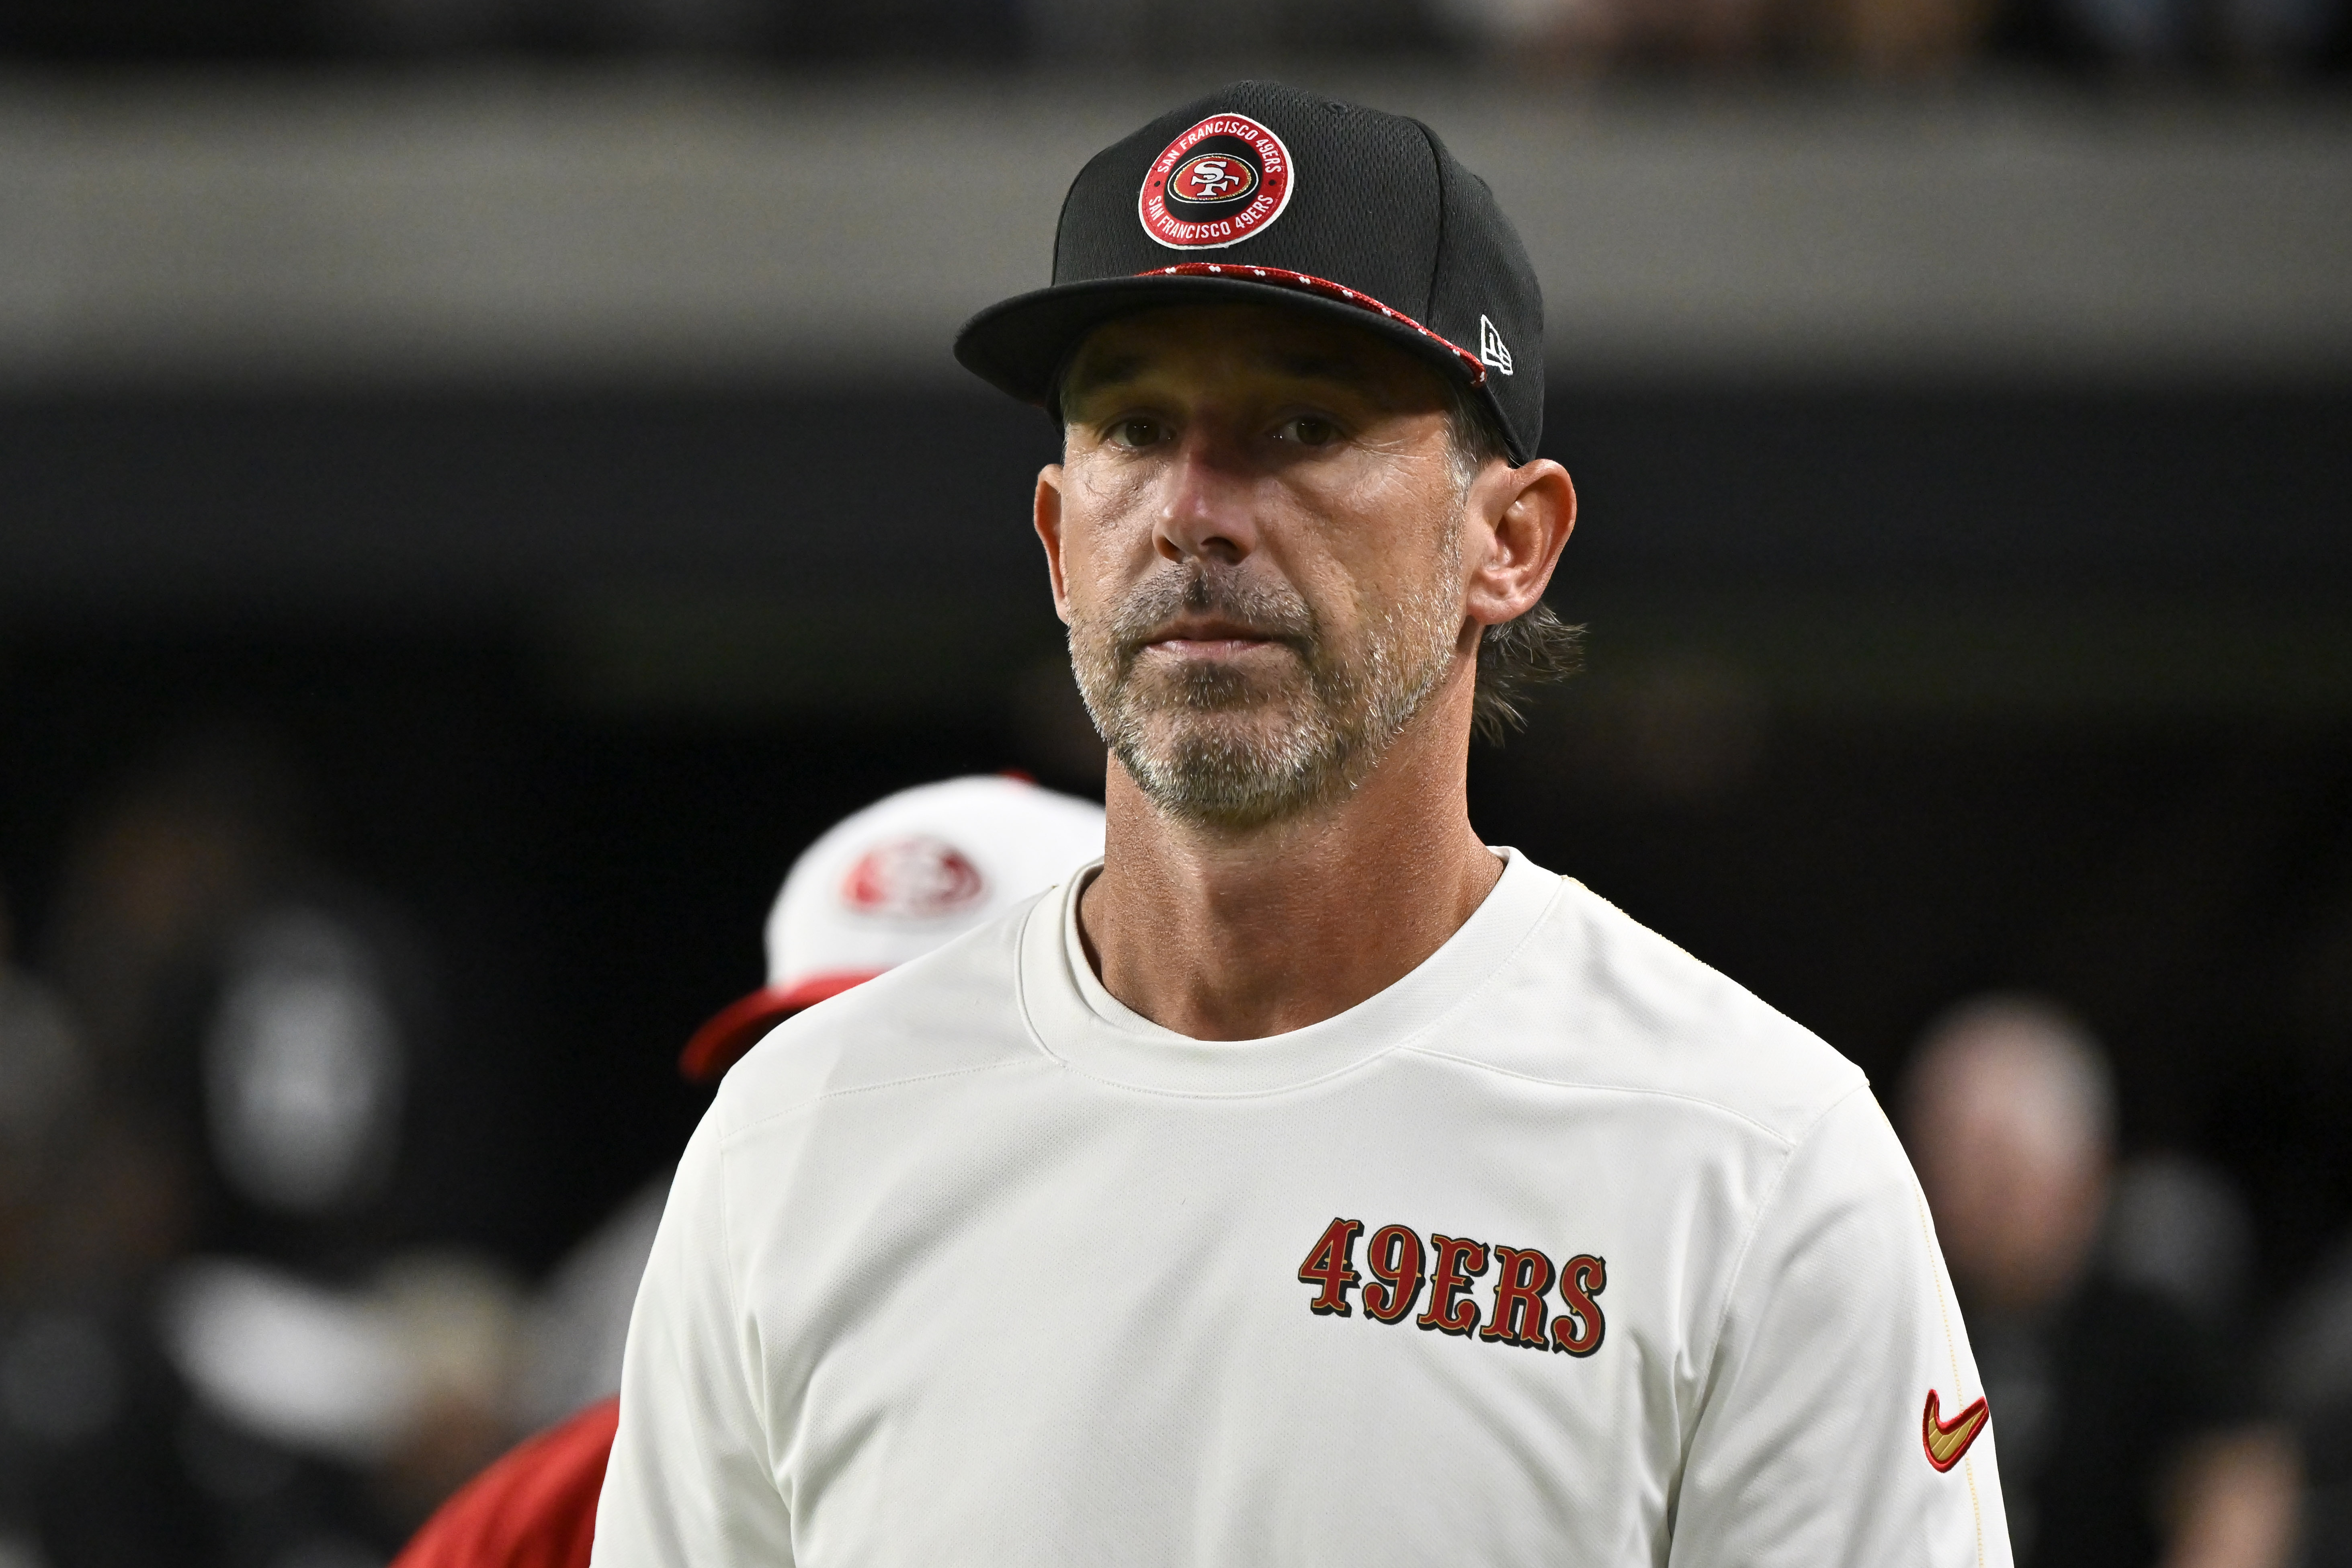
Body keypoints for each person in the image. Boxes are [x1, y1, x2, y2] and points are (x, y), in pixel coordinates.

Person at [594, 80, 2008, 1566]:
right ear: (1059, 540)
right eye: (1135, 425)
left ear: (1509, 540)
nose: (1196, 508)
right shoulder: (801, 1140)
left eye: (1301, 421)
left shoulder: (1752, 1161)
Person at [391, 774, 1105, 1568]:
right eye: (810, 1067)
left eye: (956, 1063)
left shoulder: (1234, 1443)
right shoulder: (557, 1514)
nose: (862, 1142)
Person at [1903, 996, 2298, 1568]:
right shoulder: (1906, 1323)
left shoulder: (2144, 1334)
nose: (1964, 1202)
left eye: (1999, 1178)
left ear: (2080, 1175)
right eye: (1943, 1167)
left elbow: (2246, 1486)